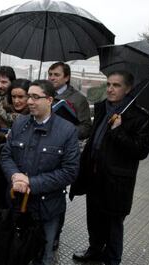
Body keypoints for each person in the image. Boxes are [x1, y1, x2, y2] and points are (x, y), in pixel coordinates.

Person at [70, 71, 149, 265]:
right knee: (94, 217)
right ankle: (95, 249)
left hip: (117, 181)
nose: (110, 89)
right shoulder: (101, 108)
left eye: (116, 85)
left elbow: (141, 151)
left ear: (128, 89)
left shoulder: (139, 118)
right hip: (95, 174)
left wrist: (119, 131)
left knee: (113, 223)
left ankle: (112, 262)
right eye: (108, 84)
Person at [0, 80, 80, 265]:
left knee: (42, 257)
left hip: (47, 209)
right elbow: (6, 155)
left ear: (50, 100)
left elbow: (69, 171)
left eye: (36, 97)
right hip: (18, 204)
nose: (29, 101)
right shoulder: (20, 123)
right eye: (29, 96)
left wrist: (31, 183)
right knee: (13, 252)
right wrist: (15, 177)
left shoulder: (67, 131)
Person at [48, 61, 92, 250]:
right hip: (42, 150)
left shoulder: (78, 99)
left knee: (57, 194)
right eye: (50, 74)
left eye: (56, 74)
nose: (51, 78)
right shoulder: (44, 93)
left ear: (66, 77)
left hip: (63, 153)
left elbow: (86, 128)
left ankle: (55, 233)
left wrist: (64, 130)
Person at [0, 77, 31, 237]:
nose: (17, 101)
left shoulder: (34, 115)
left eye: (21, 97)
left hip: (23, 169)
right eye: (14, 97)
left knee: (17, 202)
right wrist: (4, 137)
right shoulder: (0, 111)